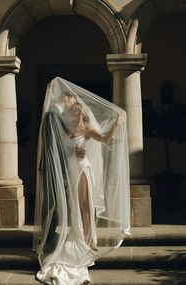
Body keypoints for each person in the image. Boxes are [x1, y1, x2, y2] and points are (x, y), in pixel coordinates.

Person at [33, 77, 130, 285]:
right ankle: (81, 237)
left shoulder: (86, 129)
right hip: (71, 168)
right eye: (73, 111)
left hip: (83, 168)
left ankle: (88, 241)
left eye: (77, 111)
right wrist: (50, 93)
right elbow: (57, 132)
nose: (75, 113)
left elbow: (104, 139)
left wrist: (116, 124)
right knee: (75, 205)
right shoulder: (66, 128)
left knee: (85, 204)